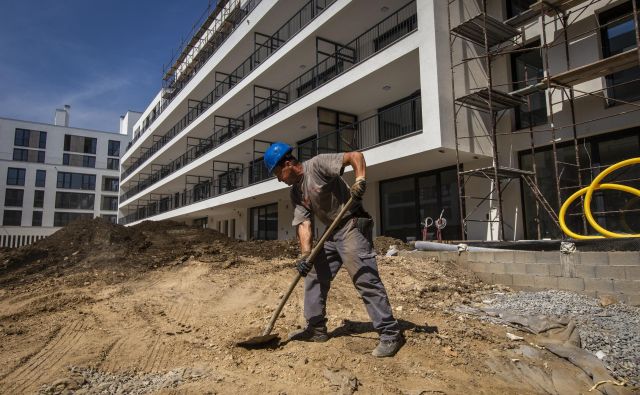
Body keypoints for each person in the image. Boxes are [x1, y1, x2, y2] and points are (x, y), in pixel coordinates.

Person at [264, 141, 403, 357]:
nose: (279, 179)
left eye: (277, 173)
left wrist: (360, 180)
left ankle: (390, 333)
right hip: (331, 231)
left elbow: (355, 156)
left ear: (288, 163)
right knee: (314, 273)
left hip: (351, 224)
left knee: (364, 278)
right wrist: (305, 255)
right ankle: (316, 329)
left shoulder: (317, 165)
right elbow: (304, 224)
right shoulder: (296, 193)